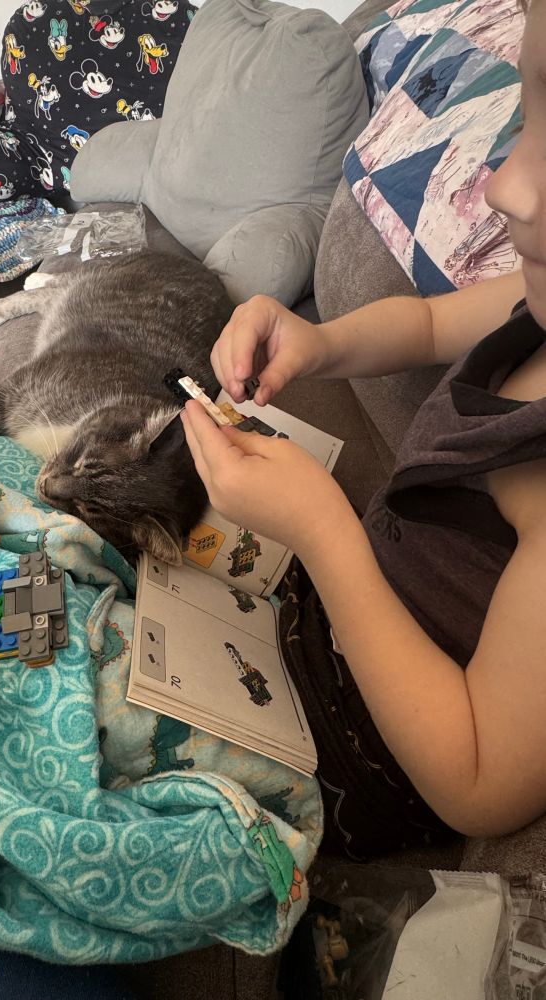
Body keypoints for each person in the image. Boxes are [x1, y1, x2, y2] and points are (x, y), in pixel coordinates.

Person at [181, 0, 545, 860]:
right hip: (330, 627)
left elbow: (477, 785)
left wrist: (322, 531)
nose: (504, 185)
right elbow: (430, 325)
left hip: (363, 758)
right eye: (533, 112)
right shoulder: (537, 300)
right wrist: (318, 343)